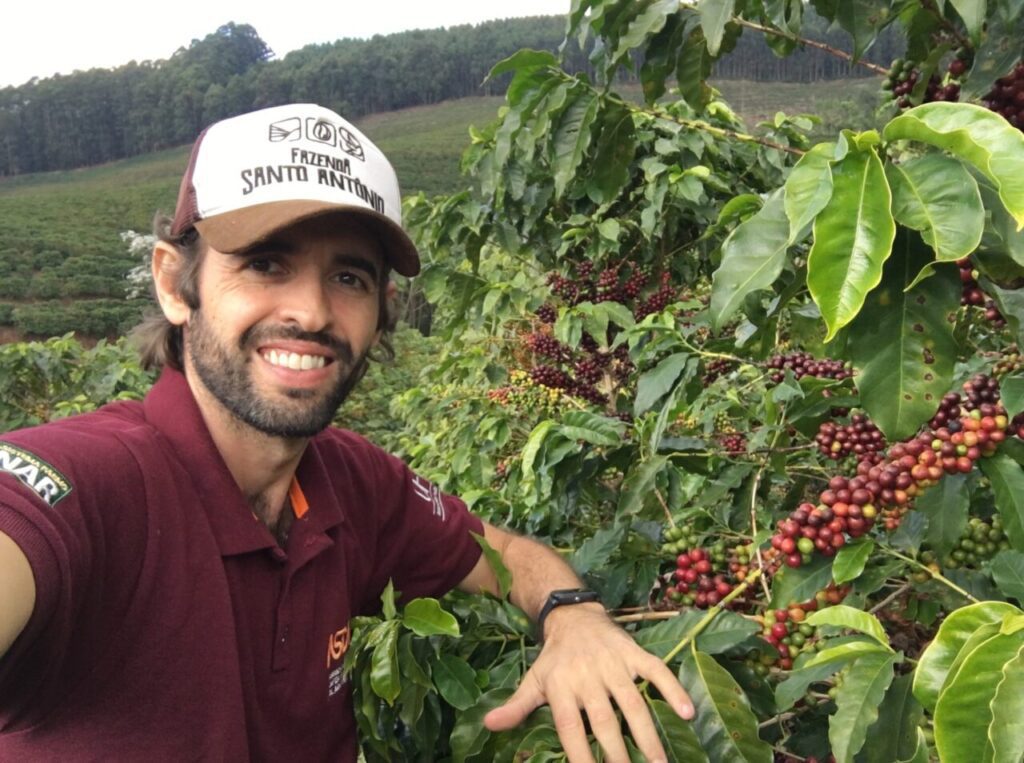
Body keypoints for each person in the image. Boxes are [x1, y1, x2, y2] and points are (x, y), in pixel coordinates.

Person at [0, 103, 693, 762]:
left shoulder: (352, 483)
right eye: (265, 263)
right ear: (175, 284)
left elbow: (502, 553)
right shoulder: (91, 485)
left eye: (349, 277)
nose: (310, 312)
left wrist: (572, 615)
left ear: (383, 310)